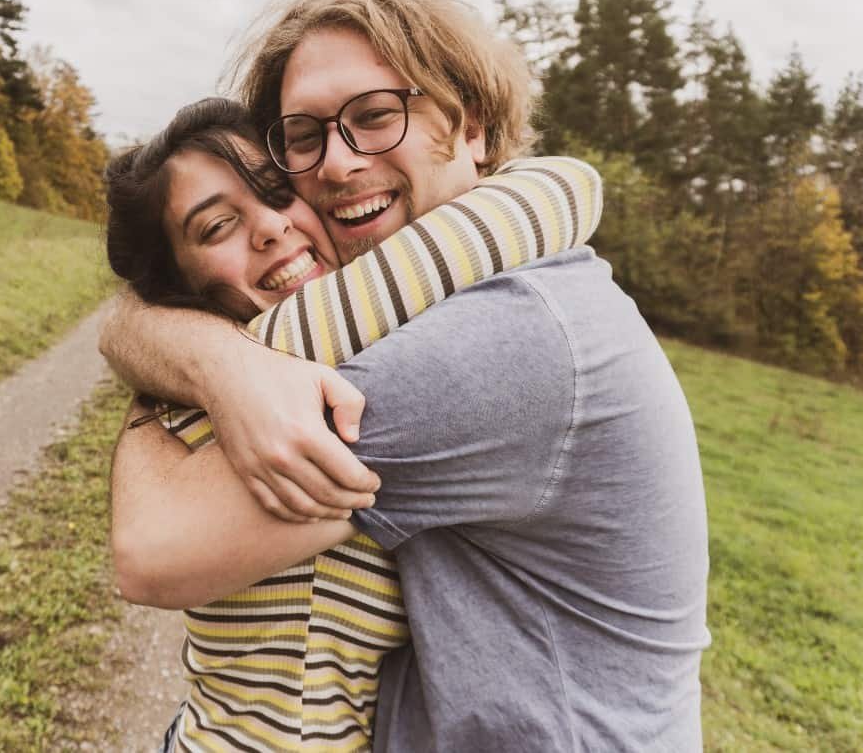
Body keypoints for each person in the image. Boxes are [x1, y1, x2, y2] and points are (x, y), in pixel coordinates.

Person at [103, 0, 710, 751]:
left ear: (473, 129)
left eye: (377, 115)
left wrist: (186, 353)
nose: (339, 163)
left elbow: (156, 546)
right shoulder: (435, 300)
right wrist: (192, 351)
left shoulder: (504, 339)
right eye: (305, 135)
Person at [105, 98, 600, 750]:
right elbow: (564, 191)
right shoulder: (314, 372)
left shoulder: (221, 371)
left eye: (277, 191)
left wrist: (150, 336)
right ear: (180, 282)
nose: (271, 228)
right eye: (219, 225)